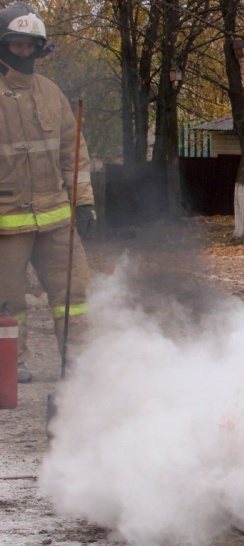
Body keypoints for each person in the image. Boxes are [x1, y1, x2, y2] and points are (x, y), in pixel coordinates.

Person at [0, 2, 96, 384]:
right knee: (8, 301)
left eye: (31, 46)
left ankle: (79, 363)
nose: (25, 52)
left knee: (75, 295)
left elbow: (74, 154)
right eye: (17, 44)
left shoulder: (51, 93)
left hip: (56, 216)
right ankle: (9, 365)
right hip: (5, 223)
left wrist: (85, 202)